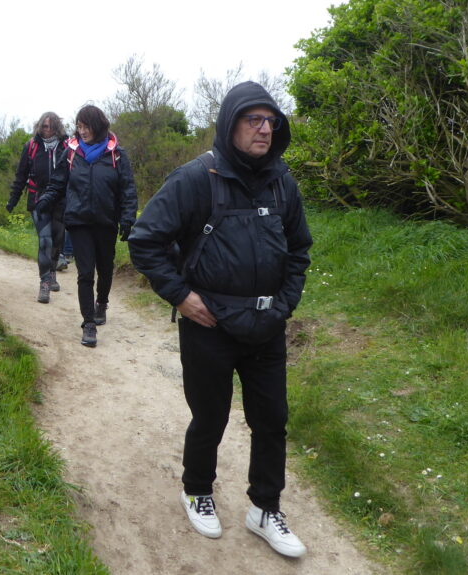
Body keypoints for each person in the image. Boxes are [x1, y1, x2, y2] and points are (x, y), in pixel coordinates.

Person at [127, 82, 313, 557]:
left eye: (270, 121)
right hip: (208, 324)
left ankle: (265, 508)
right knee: (210, 416)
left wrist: (285, 304)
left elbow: (299, 250)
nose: (264, 129)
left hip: (267, 324)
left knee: (272, 421)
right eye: (253, 120)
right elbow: (145, 240)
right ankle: (197, 490)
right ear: (230, 124)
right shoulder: (194, 178)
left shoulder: (282, 182)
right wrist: (181, 296)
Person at [35, 105, 137, 347]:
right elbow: (57, 183)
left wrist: (128, 218)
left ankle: (102, 302)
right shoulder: (71, 153)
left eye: (86, 126)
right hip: (78, 221)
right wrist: (45, 200)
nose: (82, 131)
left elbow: (127, 189)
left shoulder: (117, 155)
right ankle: (88, 324)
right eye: (79, 126)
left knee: (105, 268)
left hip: (106, 221)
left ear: (98, 126)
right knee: (85, 273)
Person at [7, 112, 70, 303]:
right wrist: (13, 200)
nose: (47, 130)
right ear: (39, 126)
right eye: (44, 126)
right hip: (38, 200)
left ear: (57, 127)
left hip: (61, 201)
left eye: (50, 126)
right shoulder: (31, 146)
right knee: (45, 241)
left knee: (57, 241)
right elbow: (21, 176)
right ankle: (44, 283)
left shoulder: (67, 146)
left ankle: (52, 272)